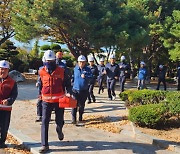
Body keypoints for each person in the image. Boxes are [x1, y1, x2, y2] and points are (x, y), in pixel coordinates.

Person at [38, 50, 72, 153]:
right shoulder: (41, 71)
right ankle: (44, 145)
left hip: (59, 100)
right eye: (48, 61)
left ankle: (59, 129)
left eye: (51, 61)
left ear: (55, 60)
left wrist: (69, 92)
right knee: (44, 122)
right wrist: (39, 94)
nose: (49, 63)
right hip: (46, 101)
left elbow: (67, 84)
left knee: (60, 120)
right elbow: (40, 84)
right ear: (44, 60)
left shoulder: (62, 71)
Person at [0, 60, 18, 148]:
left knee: (4, 126)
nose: (2, 71)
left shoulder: (12, 82)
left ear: (8, 70)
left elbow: (14, 94)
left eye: (4, 69)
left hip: (5, 108)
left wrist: (9, 100)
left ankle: (2, 142)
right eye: (1, 69)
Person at [71, 55, 92, 124]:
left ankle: (80, 117)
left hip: (84, 90)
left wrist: (85, 76)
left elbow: (91, 78)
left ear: (85, 62)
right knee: (74, 105)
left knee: (81, 105)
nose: (81, 63)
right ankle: (73, 119)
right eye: (80, 62)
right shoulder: (75, 69)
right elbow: (72, 78)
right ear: (78, 62)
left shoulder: (88, 69)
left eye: (83, 62)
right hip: (75, 90)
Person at [35, 56, 46, 122]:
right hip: (41, 87)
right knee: (39, 101)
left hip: (47, 88)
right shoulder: (41, 69)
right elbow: (39, 78)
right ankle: (39, 115)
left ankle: (46, 116)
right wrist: (38, 82)